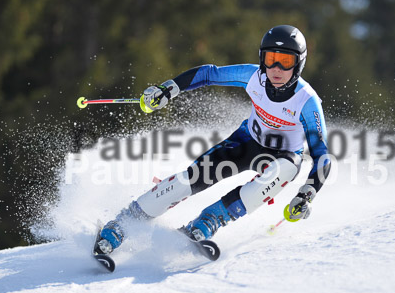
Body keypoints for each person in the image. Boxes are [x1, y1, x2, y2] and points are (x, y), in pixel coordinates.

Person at [94, 25, 331, 255]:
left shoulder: (307, 101)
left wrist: (307, 194)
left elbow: (322, 155)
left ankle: (207, 222)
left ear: (299, 64)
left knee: (283, 172)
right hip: (245, 143)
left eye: (286, 61)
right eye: (270, 59)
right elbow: (210, 74)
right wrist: (168, 89)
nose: (276, 68)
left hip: (283, 157)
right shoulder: (253, 76)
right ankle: (122, 224)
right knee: (191, 179)